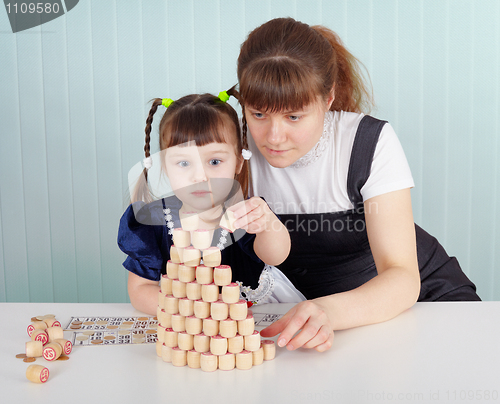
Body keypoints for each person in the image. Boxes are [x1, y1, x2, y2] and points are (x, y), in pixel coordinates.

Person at [230, 17, 480, 353]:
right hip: (313, 325)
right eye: (258, 114)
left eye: (293, 116)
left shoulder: (368, 141)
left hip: (419, 303)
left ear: (328, 98)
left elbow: (403, 278)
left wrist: (327, 312)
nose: (274, 138)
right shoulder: (229, 149)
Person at [117, 92, 299, 316]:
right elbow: (140, 289)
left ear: (238, 163)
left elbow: (276, 255)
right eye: (184, 163)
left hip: (252, 323)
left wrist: (267, 224)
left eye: (214, 162)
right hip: (188, 330)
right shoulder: (152, 222)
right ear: (165, 166)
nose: (200, 176)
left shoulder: (244, 213)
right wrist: (191, 310)